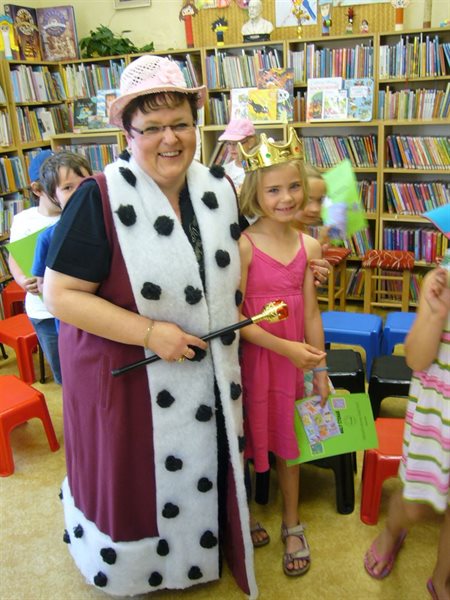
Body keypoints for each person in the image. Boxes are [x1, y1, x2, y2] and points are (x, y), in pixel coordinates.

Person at [43, 54, 257, 598]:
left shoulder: (218, 188)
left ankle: (207, 542)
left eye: (181, 124)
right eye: (153, 127)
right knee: (136, 478)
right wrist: (148, 333)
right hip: (128, 374)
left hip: (207, 369)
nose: (170, 139)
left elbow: (236, 254)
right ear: (127, 133)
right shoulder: (96, 197)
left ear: (196, 126)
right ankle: (139, 567)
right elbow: (59, 295)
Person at [237, 128, 330, 576]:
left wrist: (320, 368)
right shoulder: (243, 246)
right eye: (274, 190)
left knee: (289, 443)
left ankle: (292, 522)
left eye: (294, 186)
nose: (287, 197)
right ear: (255, 193)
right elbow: (236, 319)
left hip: (295, 365)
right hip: (255, 363)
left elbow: (311, 313)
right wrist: (285, 348)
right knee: (246, 439)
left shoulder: (309, 245)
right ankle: (244, 515)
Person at [364, 207, 450, 600]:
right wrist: (435, 312)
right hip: (438, 413)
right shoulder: (441, 282)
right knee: (416, 502)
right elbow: (415, 359)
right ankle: (392, 530)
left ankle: (441, 578)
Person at [8, 149, 62, 384]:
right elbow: (14, 258)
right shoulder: (24, 220)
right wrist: (22, 280)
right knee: (61, 369)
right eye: (55, 187)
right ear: (37, 189)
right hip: (43, 312)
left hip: (75, 307)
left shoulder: (74, 213)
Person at [31, 151, 92, 296]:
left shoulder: (109, 223)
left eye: (84, 183)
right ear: (54, 196)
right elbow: (42, 285)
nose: (79, 192)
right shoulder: (48, 238)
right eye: (67, 188)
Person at [218, 118, 257, 193]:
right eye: (229, 143)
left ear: (251, 142)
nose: (232, 148)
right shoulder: (224, 170)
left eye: (236, 143)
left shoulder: (257, 171)